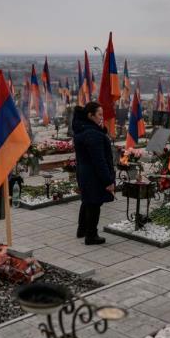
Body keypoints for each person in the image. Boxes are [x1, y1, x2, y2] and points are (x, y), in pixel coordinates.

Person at [73, 101, 115, 245]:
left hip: (84, 172)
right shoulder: (92, 134)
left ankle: (82, 229)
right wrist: (108, 180)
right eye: (99, 115)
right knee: (94, 204)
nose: (101, 118)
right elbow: (99, 160)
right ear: (90, 116)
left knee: (87, 201)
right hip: (93, 174)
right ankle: (91, 235)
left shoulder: (83, 129)